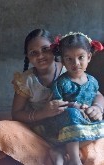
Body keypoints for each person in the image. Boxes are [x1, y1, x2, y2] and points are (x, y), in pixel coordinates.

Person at [0, 29, 104, 165]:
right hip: (41, 129)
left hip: (76, 124)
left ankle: (62, 151)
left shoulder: (70, 67)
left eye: (45, 49)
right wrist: (43, 113)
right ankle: (65, 152)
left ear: (55, 51)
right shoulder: (27, 80)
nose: (41, 56)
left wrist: (97, 107)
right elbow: (16, 114)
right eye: (34, 53)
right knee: (2, 128)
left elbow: (96, 93)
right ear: (28, 56)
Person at [46, 32, 104, 165]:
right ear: (63, 61)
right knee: (72, 114)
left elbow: (98, 95)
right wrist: (74, 106)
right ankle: (74, 159)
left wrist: (97, 107)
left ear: (89, 57)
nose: (75, 63)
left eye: (80, 57)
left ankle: (60, 150)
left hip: (85, 122)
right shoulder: (62, 82)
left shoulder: (92, 81)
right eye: (69, 59)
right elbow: (56, 104)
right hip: (64, 124)